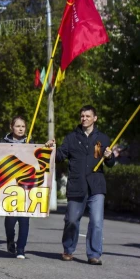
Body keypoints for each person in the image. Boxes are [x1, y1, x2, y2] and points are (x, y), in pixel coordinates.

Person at [45, 105, 115, 265]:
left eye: (88, 116)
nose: (84, 118)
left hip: (96, 187)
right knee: (71, 220)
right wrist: (52, 149)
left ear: (95, 118)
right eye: (82, 116)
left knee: (97, 222)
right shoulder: (71, 138)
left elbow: (110, 163)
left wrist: (109, 157)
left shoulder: (103, 139)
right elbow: (60, 156)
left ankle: (94, 254)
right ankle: (68, 250)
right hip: (77, 186)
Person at [2, 116, 32, 259]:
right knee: (10, 221)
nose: (20, 129)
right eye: (18, 126)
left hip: (25, 187)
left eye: (23, 126)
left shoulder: (30, 143)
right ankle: (10, 240)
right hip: (9, 187)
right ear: (11, 127)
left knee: (24, 220)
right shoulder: (3, 143)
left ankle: (21, 249)